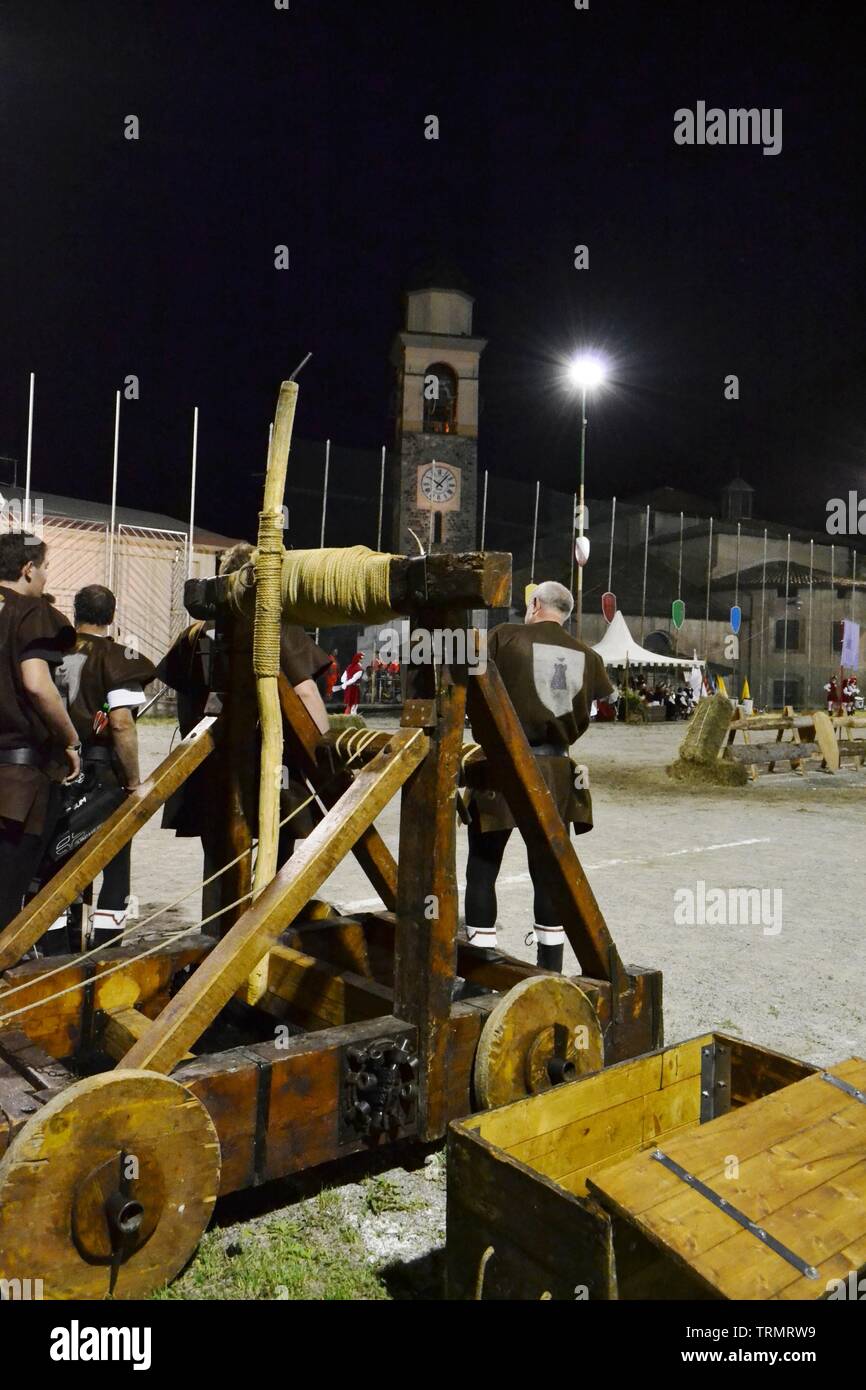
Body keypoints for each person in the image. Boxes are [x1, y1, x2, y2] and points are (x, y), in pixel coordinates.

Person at [156, 542, 330, 922]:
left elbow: (184, 701)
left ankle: (217, 937)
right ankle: (267, 936)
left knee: (219, 861)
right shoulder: (270, 626)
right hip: (265, 761)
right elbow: (303, 690)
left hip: (209, 762)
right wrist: (324, 747)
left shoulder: (192, 636)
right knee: (280, 857)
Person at [463, 580, 613, 973]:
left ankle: (480, 971)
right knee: (547, 870)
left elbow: (467, 685)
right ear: (564, 613)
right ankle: (551, 968)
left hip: (502, 766)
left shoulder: (504, 636)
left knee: (483, 865)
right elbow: (595, 710)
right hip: (556, 770)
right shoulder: (588, 656)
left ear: (534, 604)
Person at [52, 585, 157, 950]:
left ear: (75, 611)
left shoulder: (51, 649)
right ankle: (105, 948)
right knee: (113, 861)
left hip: (54, 769)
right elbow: (121, 723)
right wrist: (133, 782)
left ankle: (56, 951)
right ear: (111, 615)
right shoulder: (115, 657)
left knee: (58, 861)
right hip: (101, 775)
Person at [0, 532, 79, 933]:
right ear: (27, 569)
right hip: (15, 784)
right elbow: (36, 683)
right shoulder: (30, 612)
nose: (46, 577)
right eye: (45, 568)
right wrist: (69, 738)